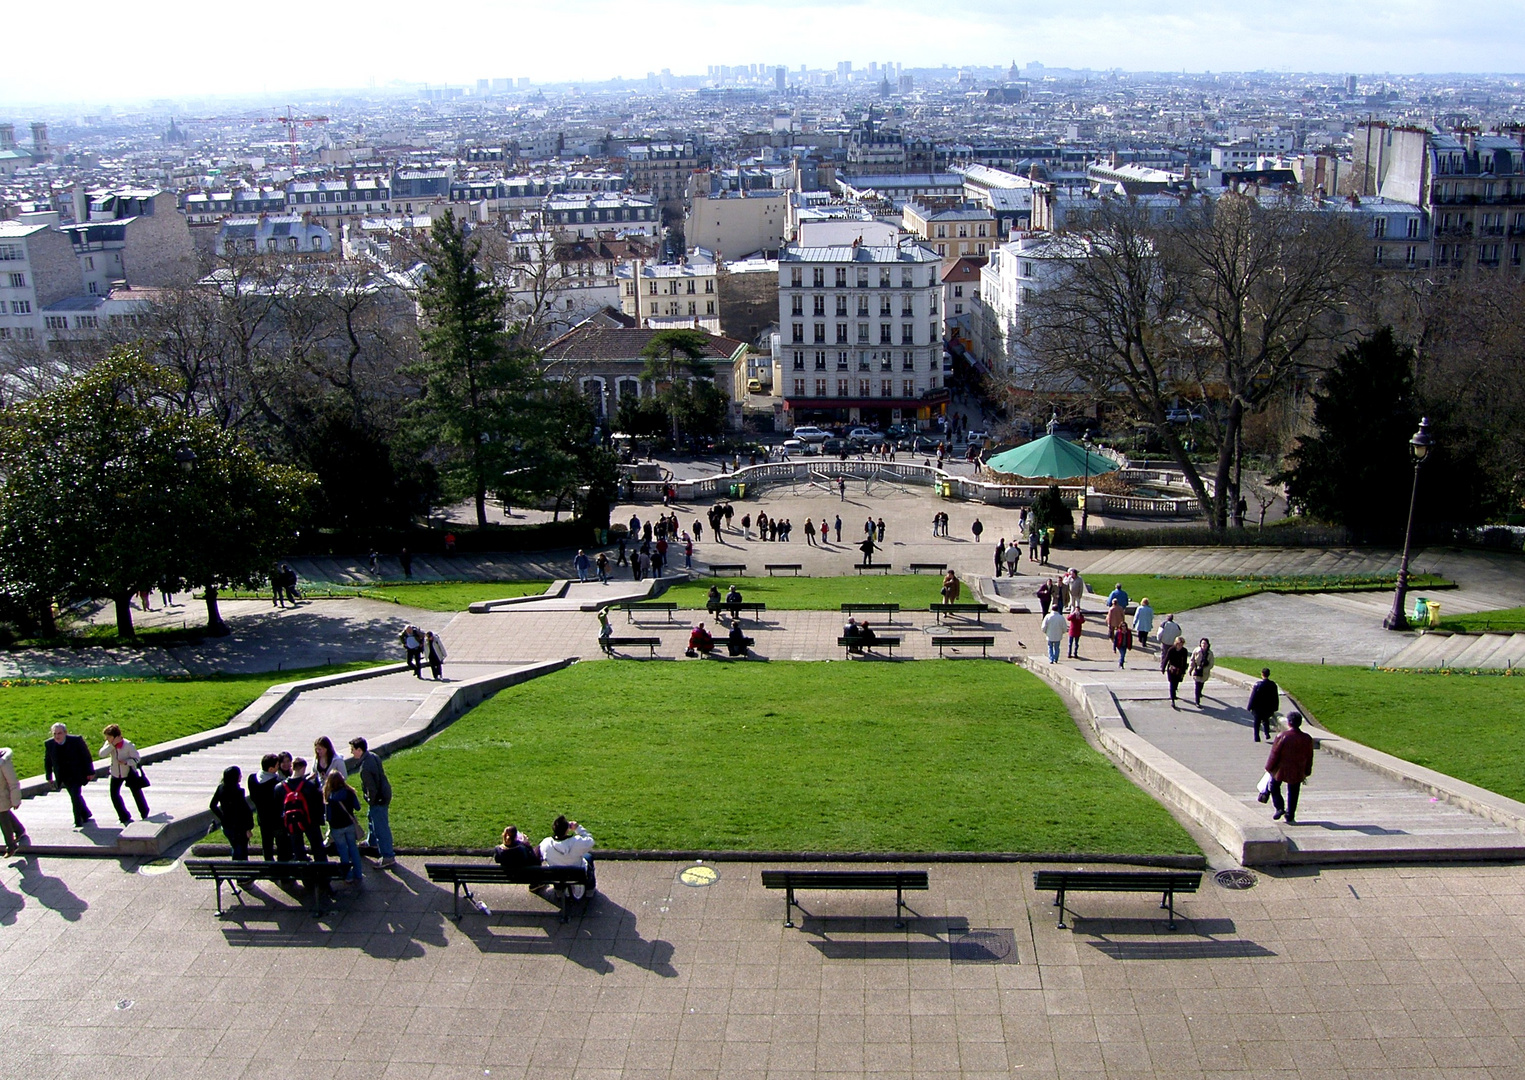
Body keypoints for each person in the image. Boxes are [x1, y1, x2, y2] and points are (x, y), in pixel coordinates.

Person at [348, 737, 395, 869]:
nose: (351, 753)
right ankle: (371, 841)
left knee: (381, 827)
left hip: (378, 799)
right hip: (384, 794)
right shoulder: (373, 756)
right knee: (371, 817)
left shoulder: (365, 768)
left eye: (353, 750)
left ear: (359, 750)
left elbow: (371, 789)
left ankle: (388, 856)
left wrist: (370, 800)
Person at [1264, 712, 1314, 825]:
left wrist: (1269, 768)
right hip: (1298, 768)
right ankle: (1290, 814)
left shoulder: (1282, 736)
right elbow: (1309, 756)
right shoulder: (1307, 738)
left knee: (1274, 786)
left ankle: (1279, 807)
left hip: (1281, 768)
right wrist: (1307, 770)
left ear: (1289, 722)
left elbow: (1274, 754)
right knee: (1294, 791)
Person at [44, 723, 95, 828]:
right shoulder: (49, 744)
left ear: (65, 733)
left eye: (59, 733)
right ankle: (85, 813)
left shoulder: (76, 741)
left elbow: (86, 756)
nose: (57, 736)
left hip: (77, 774)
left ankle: (78, 820)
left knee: (75, 795)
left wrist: (90, 772)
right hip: (63, 776)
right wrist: (49, 776)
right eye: (55, 734)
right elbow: (48, 761)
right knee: (74, 795)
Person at [100, 724, 149, 826]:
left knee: (136, 793)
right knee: (114, 794)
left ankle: (144, 812)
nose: (107, 739)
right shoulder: (109, 745)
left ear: (116, 736)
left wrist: (126, 762)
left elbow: (137, 759)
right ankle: (123, 816)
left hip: (129, 773)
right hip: (115, 773)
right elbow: (101, 754)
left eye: (109, 737)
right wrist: (112, 746)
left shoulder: (128, 745)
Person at [281, 758, 327, 864]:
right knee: (317, 847)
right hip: (310, 820)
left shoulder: (280, 787)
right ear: (303, 768)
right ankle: (322, 873)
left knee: (298, 848)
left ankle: (303, 873)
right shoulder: (309, 786)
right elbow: (318, 805)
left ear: (292, 768)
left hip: (292, 822)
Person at [540, 816, 596, 900]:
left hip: (557, 877)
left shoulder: (546, 844)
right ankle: (590, 890)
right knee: (588, 857)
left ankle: (559, 890)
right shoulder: (576, 842)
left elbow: (538, 854)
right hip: (577, 876)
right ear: (567, 830)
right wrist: (578, 828)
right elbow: (590, 840)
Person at [324, 770, 365, 883]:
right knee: (353, 847)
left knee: (343, 851)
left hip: (337, 828)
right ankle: (358, 873)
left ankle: (348, 876)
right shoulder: (349, 792)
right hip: (349, 824)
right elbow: (357, 807)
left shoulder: (330, 796)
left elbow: (328, 817)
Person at [247, 753, 289, 861]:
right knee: (282, 845)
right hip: (276, 820)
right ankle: (283, 867)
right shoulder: (276, 784)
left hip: (262, 818)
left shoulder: (252, 779)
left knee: (267, 845)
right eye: (277, 765)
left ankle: (270, 866)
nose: (279, 766)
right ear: (271, 769)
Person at [209, 765, 255, 861]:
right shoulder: (237, 792)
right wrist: (248, 827)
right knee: (241, 850)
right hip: (239, 827)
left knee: (236, 847)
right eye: (239, 775)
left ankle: (236, 869)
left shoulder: (221, 788)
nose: (241, 776)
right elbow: (245, 811)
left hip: (227, 825)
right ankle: (240, 870)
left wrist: (222, 817)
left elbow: (213, 805)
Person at [0, 746, 29, 855]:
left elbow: (13, 783)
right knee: (5, 815)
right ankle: (19, 830)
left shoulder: (4, 763)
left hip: (3, 796)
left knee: (3, 819)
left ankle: (11, 846)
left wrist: (15, 800)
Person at [1247, 668, 1281, 743]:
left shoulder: (1258, 685)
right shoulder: (1273, 685)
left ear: (1262, 674)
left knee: (1257, 722)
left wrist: (1250, 707)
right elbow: (1275, 697)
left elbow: (1253, 697)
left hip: (1258, 708)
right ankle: (1266, 733)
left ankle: (1257, 736)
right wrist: (1275, 707)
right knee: (1266, 719)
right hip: (1268, 707)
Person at [1163, 637, 1190, 708]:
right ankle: (1172, 699)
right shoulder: (1171, 650)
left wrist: (1184, 671)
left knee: (1176, 683)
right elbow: (1166, 659)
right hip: (1172, 669)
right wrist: (1163, 668)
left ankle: (1174, 693)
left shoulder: (1184, 651)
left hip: (1179, 670)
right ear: (1176, 643)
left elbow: (1184, 662)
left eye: (1182, 644)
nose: (1180, 646)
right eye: (1179, 644)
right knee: (1172, 683)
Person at [1188, 638, 1215, 707]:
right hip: (1197, 670)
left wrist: (1205, 669)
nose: (1204, 645)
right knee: (1197, 685)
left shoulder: (1210, 653)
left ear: (1208, 645)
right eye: (1202, 643)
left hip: (1204, 672)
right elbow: (1192, 660)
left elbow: (1211, 664)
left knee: (1201, 684)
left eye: (1205, 643)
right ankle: (1197, 701)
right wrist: (1191, 669)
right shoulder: (1197, 651)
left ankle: (1200, 693)